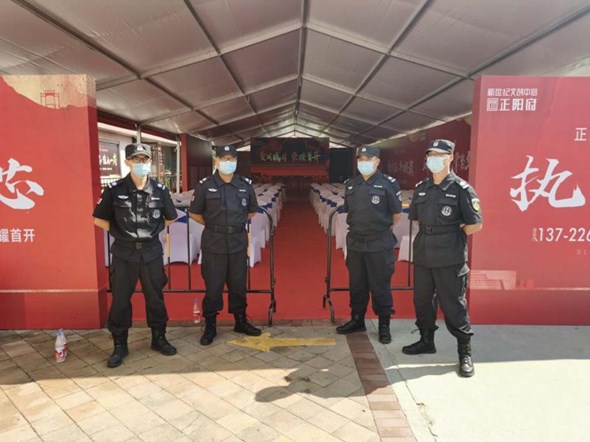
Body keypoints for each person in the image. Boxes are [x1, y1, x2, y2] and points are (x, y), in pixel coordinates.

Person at [402, 139, 483, 378]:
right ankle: (426, 340)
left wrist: (452, 235)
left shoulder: (461, 189)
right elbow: (417, 219)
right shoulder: (422, 188)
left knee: (454, 305)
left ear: (450, 158)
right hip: (424, 254)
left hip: (450, 257)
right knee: (422, 301)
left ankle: (464, 352)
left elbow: (475, 224)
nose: (433, 159)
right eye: (430, 155)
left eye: (438, 155)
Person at [93, 143, 178, 368]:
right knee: (120, 300)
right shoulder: (114, 189)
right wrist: (121, 234)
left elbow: (170, 218)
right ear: (127, 162)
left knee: (155, 298)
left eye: (145, 159)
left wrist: (151, 232)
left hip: (151, 253)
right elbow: (99, 219)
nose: (141, 163)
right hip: (124, 254)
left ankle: (159, 338)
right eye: (136, 159)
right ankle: (120, 344)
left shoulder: (160, 189)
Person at [189, 145, 261, 345]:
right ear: (216, 161)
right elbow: (194, 213)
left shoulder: (245, 185)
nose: (228, 162)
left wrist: (233, 225)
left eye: (232, 158)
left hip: (237, 241)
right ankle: (210, 325)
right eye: (224, 158)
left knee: (238, 285)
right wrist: (215, 225)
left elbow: (251, 211)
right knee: (213, 287)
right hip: (214, 243)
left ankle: (240, 320)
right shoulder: (205, 185)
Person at [336, 146, 403, 344]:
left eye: (368, 159)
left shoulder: (388, 184)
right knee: (357, 285)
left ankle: (384, 325)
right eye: (360, 159)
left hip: (379, 243)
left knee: (380, 285)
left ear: (377, 162)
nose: (363, 162)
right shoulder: (351, 184)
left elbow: (396, 214)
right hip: (356, 242)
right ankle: (357, 320)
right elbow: (350, 211)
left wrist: (380, 229)